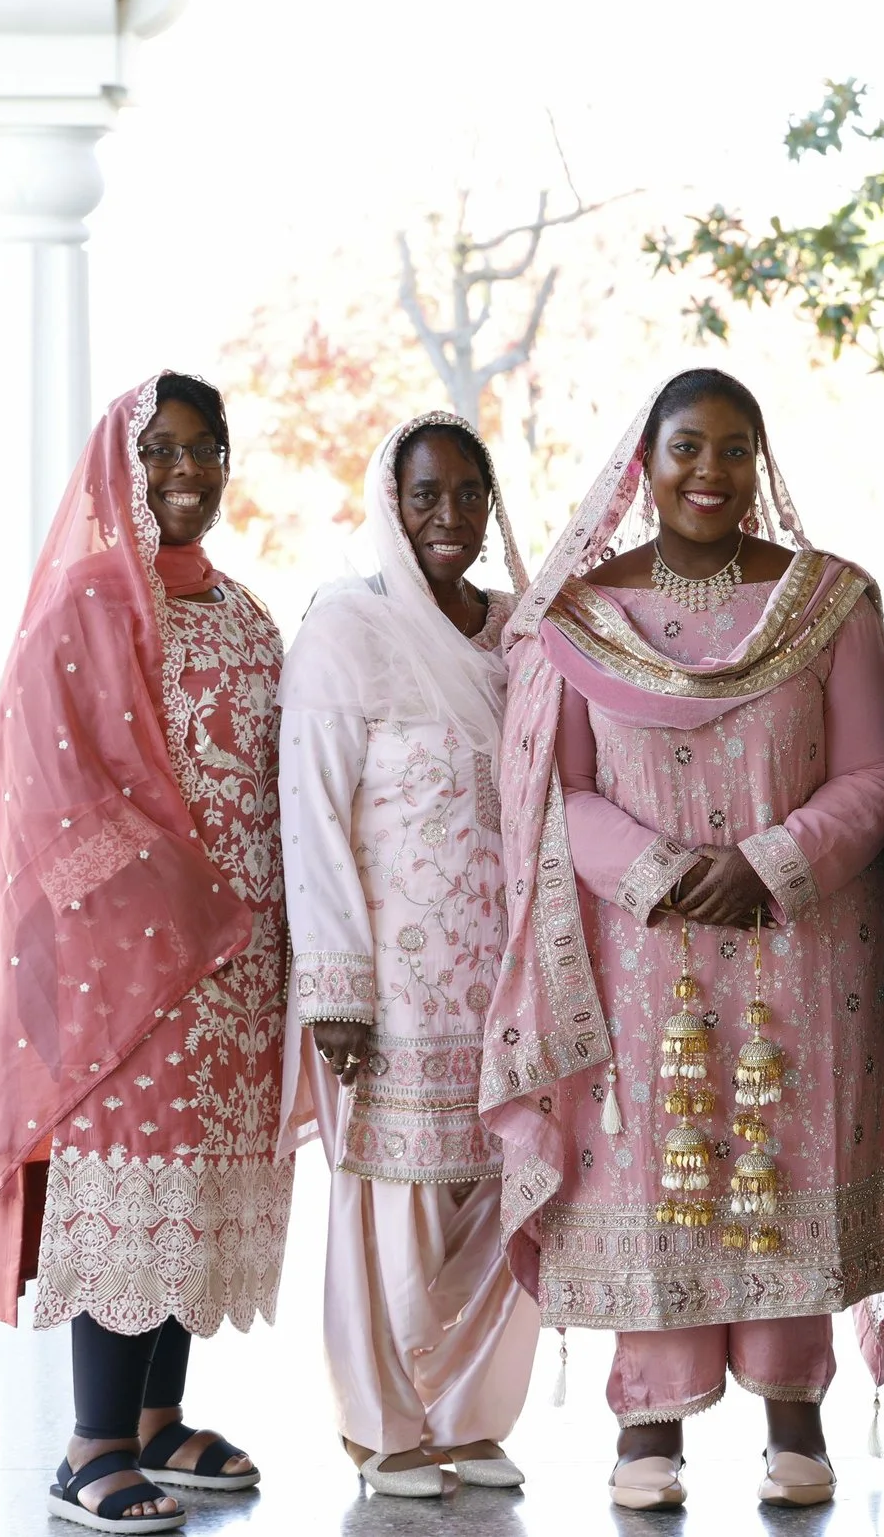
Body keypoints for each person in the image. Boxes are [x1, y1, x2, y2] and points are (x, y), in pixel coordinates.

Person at [481, 368, 884, 1512]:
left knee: (788, 1144)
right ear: (647, 462)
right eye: (688, 446)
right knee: (651, 1155)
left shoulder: (828, 600)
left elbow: (878, 768)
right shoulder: (580, 615)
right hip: (644, 947)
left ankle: (796, 1416)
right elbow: (557, 786)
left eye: (736, 448)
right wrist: (658, 872)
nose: (711, 471)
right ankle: (650, 1427)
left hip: (802, 934)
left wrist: (774, 861)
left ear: (761, 463)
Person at [0, 373, 292, 1533]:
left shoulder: (244, 610)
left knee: (197, 1190)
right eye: (162, 450)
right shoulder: (87, 602)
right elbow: (52, 795)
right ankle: (90, 1442)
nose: (187, 472)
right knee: (131, 1184)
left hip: (241, 967)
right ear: (119, 462)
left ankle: (157, 1421)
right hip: (131, 968)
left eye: (207, 448)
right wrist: (179, 909)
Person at [277, 412, 541, 1498]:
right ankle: (386, 1425)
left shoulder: (518, 629)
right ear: (390, 501)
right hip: (394, 980)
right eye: (423, 493)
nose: (447, 515)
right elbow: (311, 806)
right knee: (394, 1196)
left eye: (466, 493)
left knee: (505, 1187)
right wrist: (334, 984)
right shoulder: (348, 627)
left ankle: (470, 1418)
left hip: (511, 975)